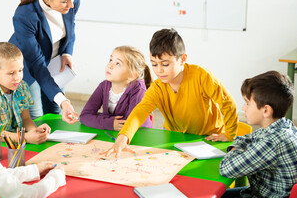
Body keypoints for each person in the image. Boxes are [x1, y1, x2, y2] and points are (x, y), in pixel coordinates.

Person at [102, 28, 238, 157]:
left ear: (182, 59)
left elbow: (227, 103)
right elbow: (140, 112)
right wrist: (122, 137)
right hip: (175, 136)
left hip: (207, 137)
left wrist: (230, 134)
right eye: (154, 64)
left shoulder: (202, 77)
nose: (159, 70)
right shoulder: (158, 87)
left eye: (165, 64)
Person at [220, 71, 297, 198]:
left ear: (266, 110)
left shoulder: (272, 142)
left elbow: (226, 168)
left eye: (247, 103)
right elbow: (247, 138)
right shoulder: (286, 126)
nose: (243, 108)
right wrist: (241, 147)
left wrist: (235, 149)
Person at [9, 0, 80, 124]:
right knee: (36, 119)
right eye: (65, 2)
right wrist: (64, 100)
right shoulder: (25, 15)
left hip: (55, 63)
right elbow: (36, 65)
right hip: (29, 67)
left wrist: (66, 52)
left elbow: (71, 27)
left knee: (56, 111)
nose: (71, 5)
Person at [0, 42, 51, 144]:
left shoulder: (22, 86)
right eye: (11, 73)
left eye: (20, 70)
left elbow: (25, 118)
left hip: (16, 143)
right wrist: (24, 138)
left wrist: (35, 131)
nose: (18, 77)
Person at [80, 46, 153, 130]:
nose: (110, 66)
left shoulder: (138, 89)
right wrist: (109, 122)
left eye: (117, 63)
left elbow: (128, 123)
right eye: (111, 60)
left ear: (132, 75)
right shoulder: (103, 86)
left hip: (139, 135)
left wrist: (100, 118)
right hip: (114, 134)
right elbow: (84, 116)